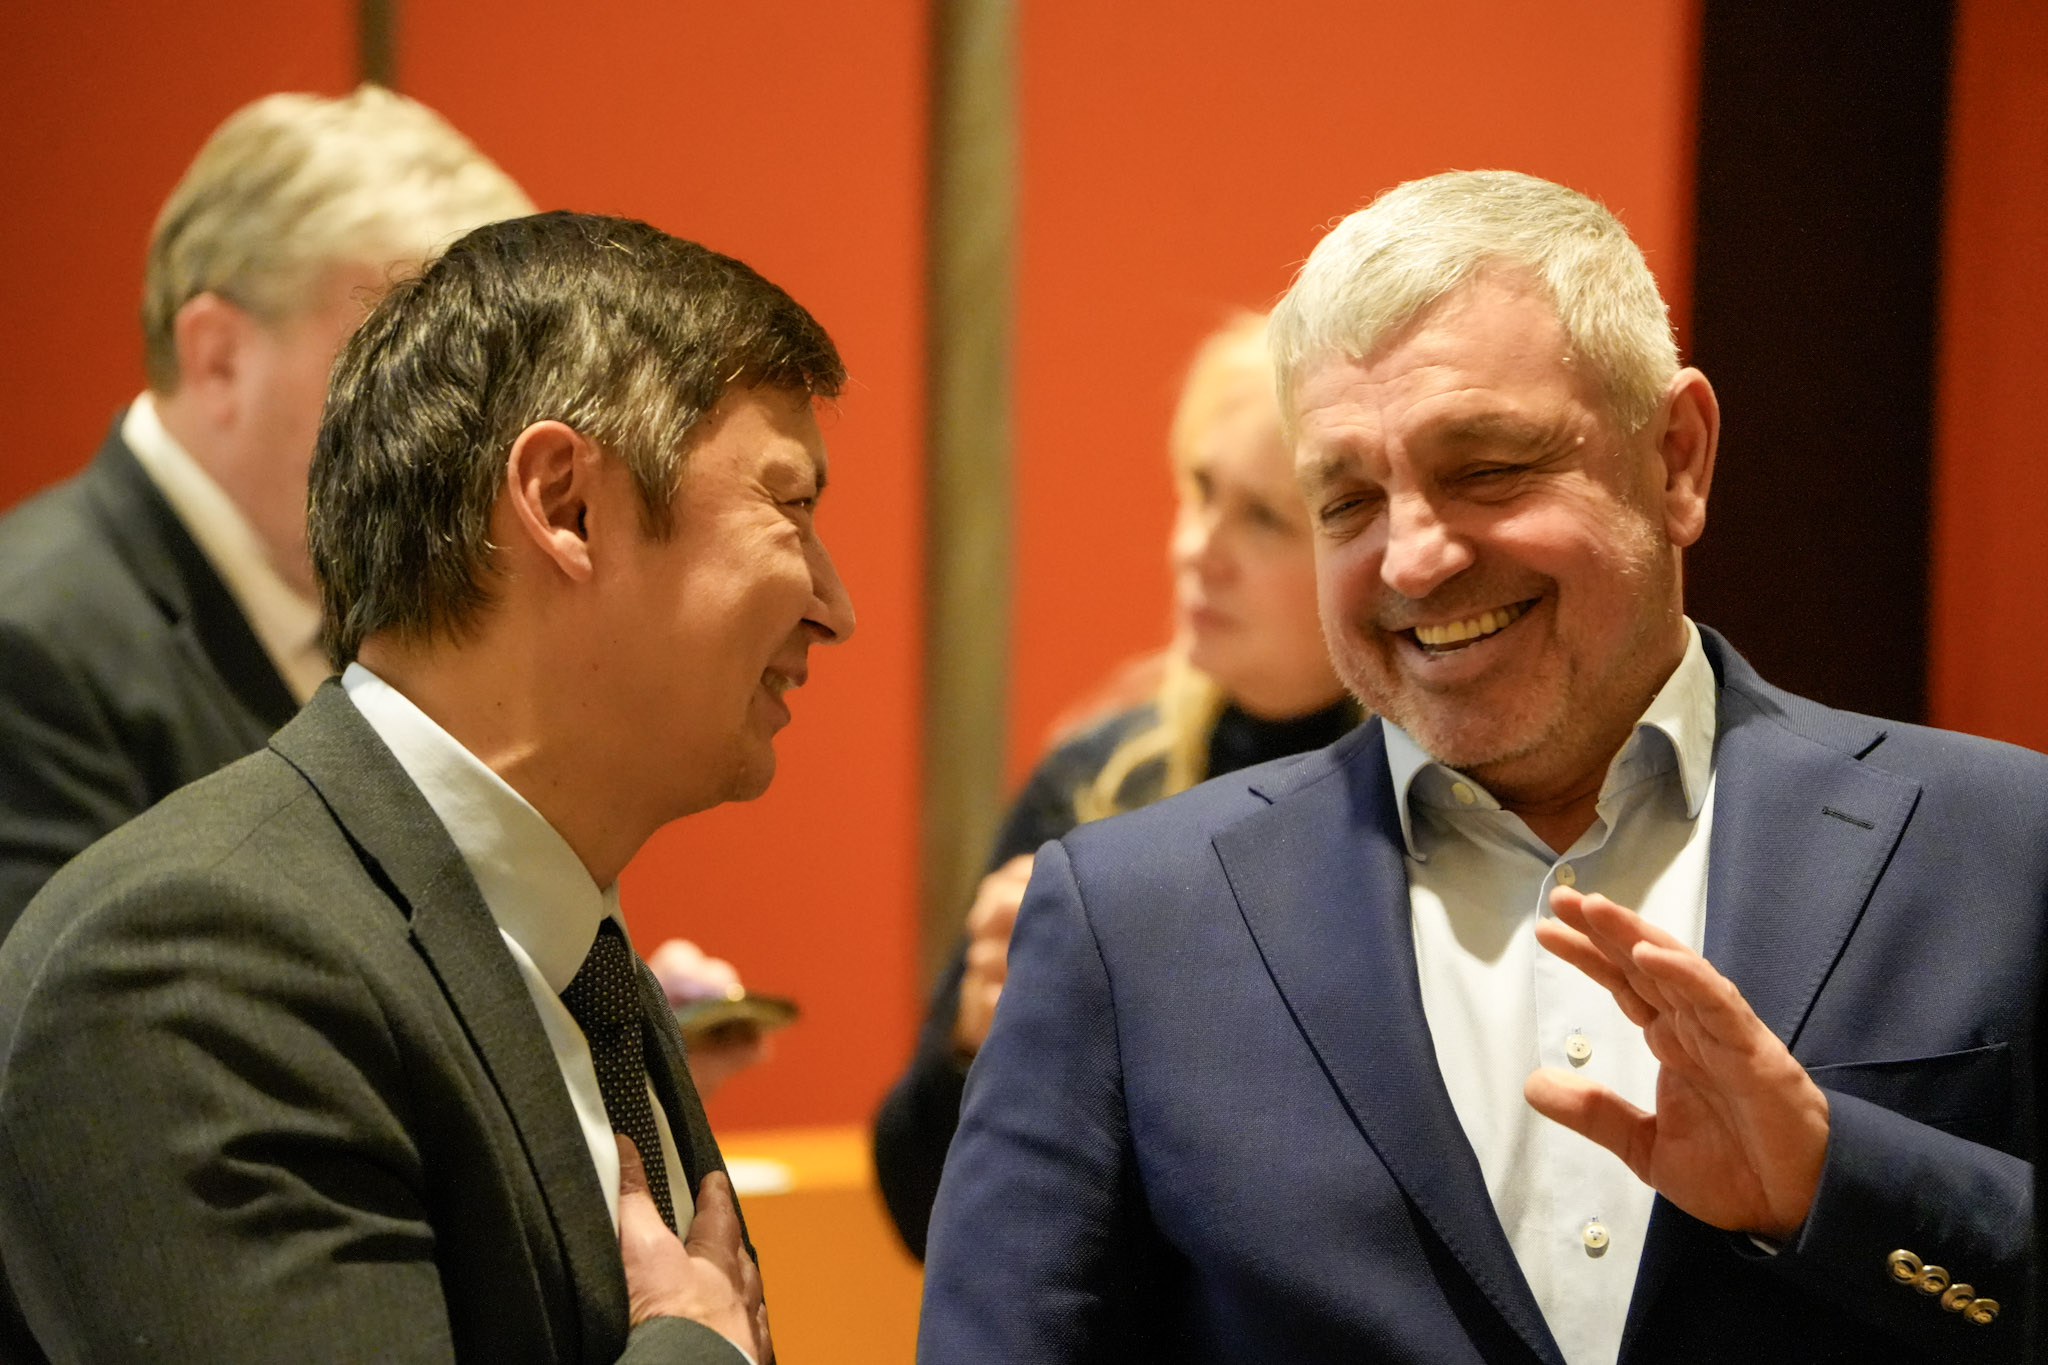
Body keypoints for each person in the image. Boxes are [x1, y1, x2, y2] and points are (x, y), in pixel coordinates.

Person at [919, 171, 2042, 1364]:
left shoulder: (2002, 844)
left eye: (1487, 468)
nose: (1412, 559)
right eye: (1345, 501)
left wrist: (1836, 1184)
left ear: (1675, 458)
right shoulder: (1131, 924)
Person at [0, 211, 856, 1363]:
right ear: (564, 503)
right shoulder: (197, 966)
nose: (834, 608)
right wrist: (700, 1351)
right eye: (789, 508)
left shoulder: (582, 963)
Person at [872, 312, 1358, 1256]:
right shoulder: (1096, 783)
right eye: (1200, 490)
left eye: (1262, 518)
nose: (1197, 548)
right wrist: (976, 1041)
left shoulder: (1431, 800)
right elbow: (922, 1207)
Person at [0, 87, 534, 936]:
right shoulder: (28, 645)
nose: (467, 432)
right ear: (219, 360)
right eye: (402, 371)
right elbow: (66, 1017)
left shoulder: (396, 600)